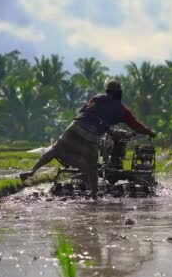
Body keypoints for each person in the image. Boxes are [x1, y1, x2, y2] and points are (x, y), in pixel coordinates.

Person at [19, 79, 156, 199]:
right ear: (119, 93)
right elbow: (135, 125)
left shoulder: (97, 98)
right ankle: (95, 197)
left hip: (75, 125)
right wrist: (149, 132)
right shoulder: (122, 110)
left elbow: (85, 110)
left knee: (55, 149)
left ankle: (33, 170)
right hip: (91, 133)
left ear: (107, 91)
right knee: (92, 167)